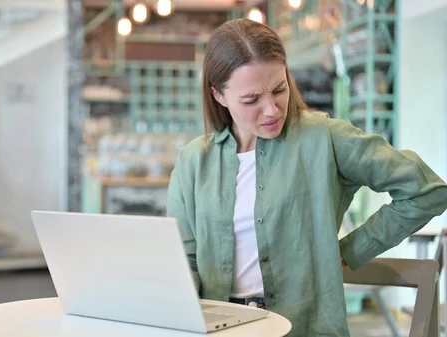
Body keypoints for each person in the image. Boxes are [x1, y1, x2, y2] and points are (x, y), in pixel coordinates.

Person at [166, 18, 447, 336]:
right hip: (219, 329)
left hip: (307, 328)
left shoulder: (325, 138)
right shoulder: (193, 162)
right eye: (251, 100)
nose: (272, 109)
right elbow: (183, 259)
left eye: (279, 89)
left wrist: (352, 249)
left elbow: (426, 191)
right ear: (218, 95)